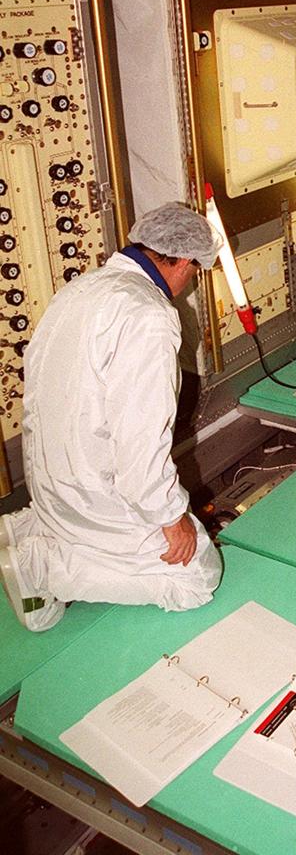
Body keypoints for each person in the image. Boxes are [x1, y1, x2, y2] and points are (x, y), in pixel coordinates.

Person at [0, 204, 224, 632]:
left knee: (96, 519)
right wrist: (171, 517)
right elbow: (140, 441)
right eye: (193, 272)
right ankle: (43, 567)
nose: (187, 285)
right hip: (94, 491)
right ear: (180, 260)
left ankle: (24, 527)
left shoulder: (81, 290)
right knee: (196, 577)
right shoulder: (149, 316)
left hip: (49, 484)